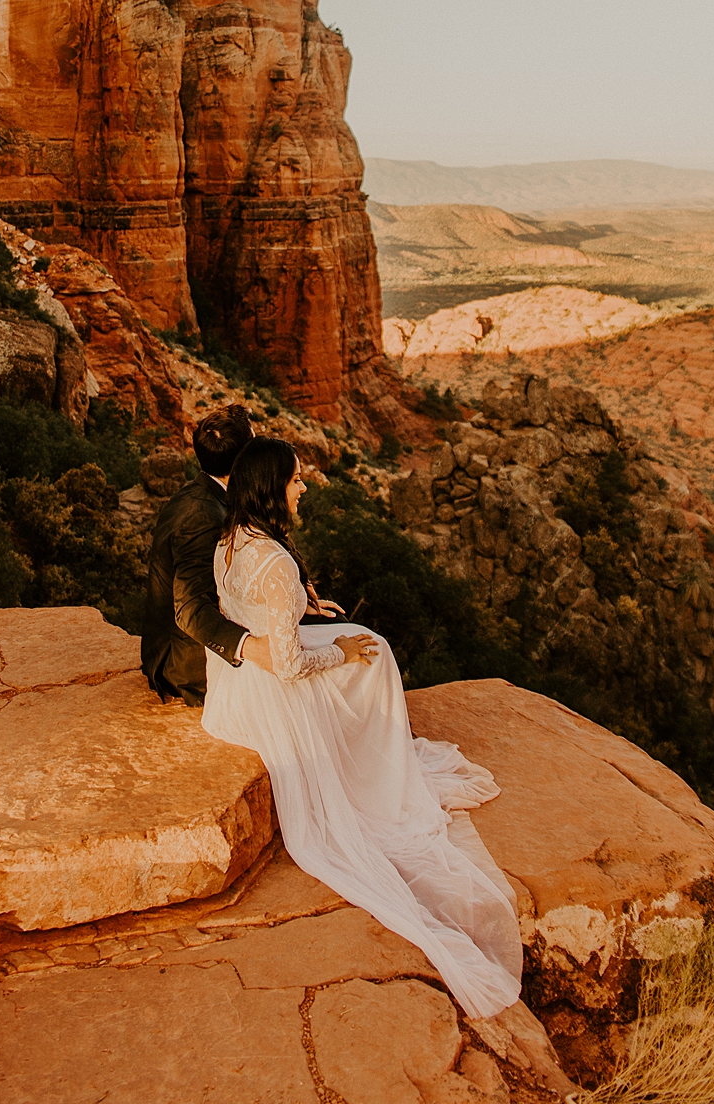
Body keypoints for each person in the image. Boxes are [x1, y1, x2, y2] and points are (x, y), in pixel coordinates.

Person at [201, 436, 524, 1019]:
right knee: (373, 654)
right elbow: (296, 664)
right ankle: (380, 770)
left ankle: (380, 751)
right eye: (296, 481)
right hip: (277, 689)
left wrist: (304, 611)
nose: (303, 489)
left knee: (366, 644)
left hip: (237, 684)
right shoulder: (273, 560)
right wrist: (343, 652)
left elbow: (254, 620)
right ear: (274, 488)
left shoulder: (231, 539)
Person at [141, 405, 272, 705]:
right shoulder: (200, 515)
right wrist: (251, 648)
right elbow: (190, 609)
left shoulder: (211, 495)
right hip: (184, 663)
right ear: (240, 463)